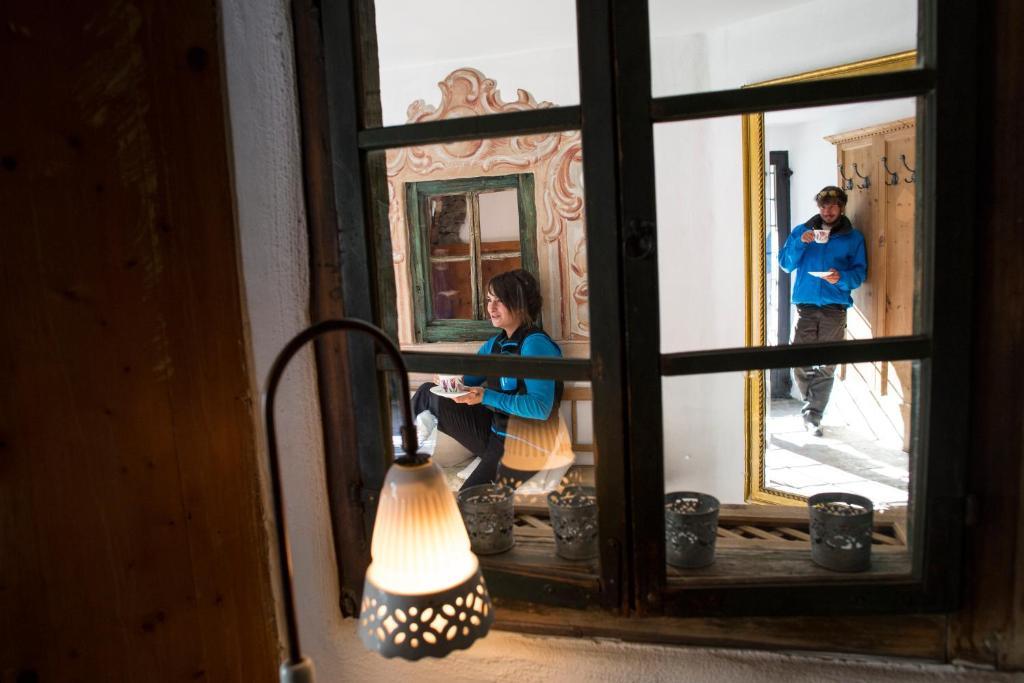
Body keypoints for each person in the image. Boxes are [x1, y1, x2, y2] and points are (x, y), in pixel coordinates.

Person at [411, 269, 563, 489]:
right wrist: (449, 382)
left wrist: (486, 396)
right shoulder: (495, 345)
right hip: (497, 436)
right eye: (489, 300)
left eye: (499, 301)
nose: (490, 308)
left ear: (520, 304)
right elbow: (468, 382)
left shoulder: (535, 344)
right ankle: (404, 455)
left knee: (467, 503)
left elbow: (541, 408)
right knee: (428, 392)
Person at [778, 186, 867, 436]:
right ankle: (812, 407)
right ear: (818, 208)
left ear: (841, 207)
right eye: (823, 206)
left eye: (833, 206)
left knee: (827, 365)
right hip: (806, 307)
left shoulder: (853, 238)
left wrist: (840, 278)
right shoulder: (801, 232)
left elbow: (859, 275)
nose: (828, 211)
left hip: (835, 308)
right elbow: (785, 265)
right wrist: (799, 242)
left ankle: (813, 417)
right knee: (799, 361)